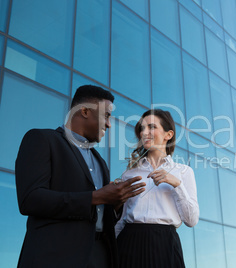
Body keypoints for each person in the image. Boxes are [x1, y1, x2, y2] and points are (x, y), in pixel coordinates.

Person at [15, 85, 146, 268]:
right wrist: (96, 197)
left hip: (98, 256)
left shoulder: (100, 161)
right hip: (54, 257)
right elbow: (30, 199)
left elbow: (99, 213)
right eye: (106, 116)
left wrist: (115, 203)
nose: (109, 124)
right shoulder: (42, 139)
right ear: (84, 111)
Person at [115, 109, 199, 268]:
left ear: (168, 135)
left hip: (165, 245)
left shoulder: (184, 172)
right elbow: (121, 219)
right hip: (129, 242)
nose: (144, 133)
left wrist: (177, 184)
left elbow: (191, 220)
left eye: (151, 127)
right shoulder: (129, 174)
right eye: (142, 128)